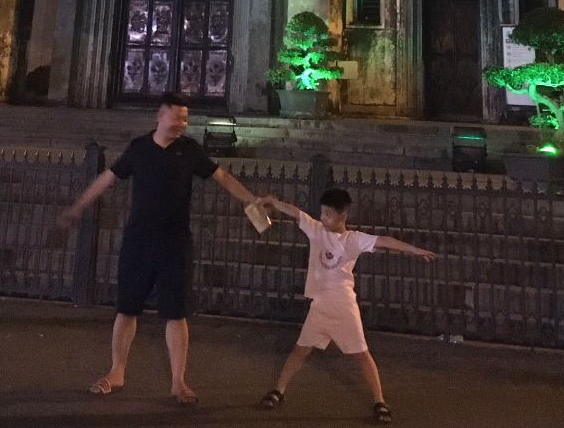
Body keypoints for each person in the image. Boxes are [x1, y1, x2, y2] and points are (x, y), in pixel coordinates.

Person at [56, 92, 260, 405]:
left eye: (185, 118)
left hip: (175, 241)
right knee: (127, 309)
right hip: (139, 240)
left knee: (176, 313)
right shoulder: (139, 148)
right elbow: (108, 179)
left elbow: (222, 177)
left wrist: (250, 200)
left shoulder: (189, 150)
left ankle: (179, 382)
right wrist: (79, 206)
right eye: (177, 117)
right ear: (160, 116)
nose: (182, 123)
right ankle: (116, 371)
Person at [257, 188, 437, 424]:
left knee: (361, 355)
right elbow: (295, 212)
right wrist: (273, 201)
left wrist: (415, 250)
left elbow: (384, 241)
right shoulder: (316, 231)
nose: (323, 217)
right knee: (300, 350)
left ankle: (380, 400)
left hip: (344, 306)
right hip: (320, 305)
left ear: (343, 215)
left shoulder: (352, 239)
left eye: (329, 214)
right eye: (322, 212)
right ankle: (278, 390)